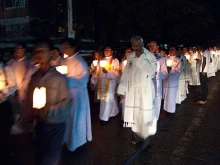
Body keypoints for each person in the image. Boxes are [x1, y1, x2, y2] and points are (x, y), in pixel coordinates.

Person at [24, 39, 71, 165]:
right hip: (39, 124)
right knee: (39, 153)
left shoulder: (59, 78)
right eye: (35, 51)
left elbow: (67, 101)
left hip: (56, 125)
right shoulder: (34, 77)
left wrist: (51, 109)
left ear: (51, 54)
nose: (37, 54)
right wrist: (28, 117)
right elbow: (29, 101)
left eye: (41, 51)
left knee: (51, 156)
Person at [117, 36, 157, 144]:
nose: (136, 48)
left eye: (138, 45)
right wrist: (122, 90)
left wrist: (141, 59)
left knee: (145, 114)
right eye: (134, 45)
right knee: (135, 114)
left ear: (143, 44)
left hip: (145, 90)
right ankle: (137, 136)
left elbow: (152, 72)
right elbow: (126, 74)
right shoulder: (130, 57)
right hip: (132, 90)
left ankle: (147, 136)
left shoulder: (149, 56)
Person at [61, 38, 92, 152]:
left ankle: (79, 143)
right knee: (68, 119)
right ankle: (67, 140)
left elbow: (84, 79)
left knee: (77, 119)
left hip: (78, 96)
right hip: (66, 95)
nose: (63, 48)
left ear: (73, 48)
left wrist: (68, 80)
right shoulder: (63, 61)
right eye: (62, 46)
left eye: (66, 46)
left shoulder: (80, 61)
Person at [90, 46, 120, 125]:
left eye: (108, 50)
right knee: (104, 100)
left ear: (112, 52)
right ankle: (113, 112)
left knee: (107, 100)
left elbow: (117, 73)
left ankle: (105, 118)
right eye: (105, 50)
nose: (106, 51)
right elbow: (96, 72)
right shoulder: (101, 60)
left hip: (110, 83)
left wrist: (108, 71)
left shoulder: (115, 60)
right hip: (101, 82)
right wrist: (93, 82)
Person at [0, 48, 17, 164]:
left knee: (4, 132)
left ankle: (6, 156)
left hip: (3, 106)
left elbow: (14, 85)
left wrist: (3, 93)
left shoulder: (6, 67)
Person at [148, 41, 168, 120]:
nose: (152, 47)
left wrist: (157, 74)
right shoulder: (145, 57)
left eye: (153, 45)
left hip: (156, 83)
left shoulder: (162, 58)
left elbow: (165, 73)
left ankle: (155, 118)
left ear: (157, 47)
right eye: (150, 46)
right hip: (147, 83)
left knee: (156, 99)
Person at [163, 46, 182, 115]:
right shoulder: (165, 59)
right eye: (170, 50)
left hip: (173, 81)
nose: (171, 51)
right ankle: (165, 108)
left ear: (176, 51)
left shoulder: (178, 60)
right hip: (166, 79)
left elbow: (180, 71)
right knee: (166, 95)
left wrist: (172, 69)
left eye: (173, 50)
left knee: (171, 96)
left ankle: (170, 110)